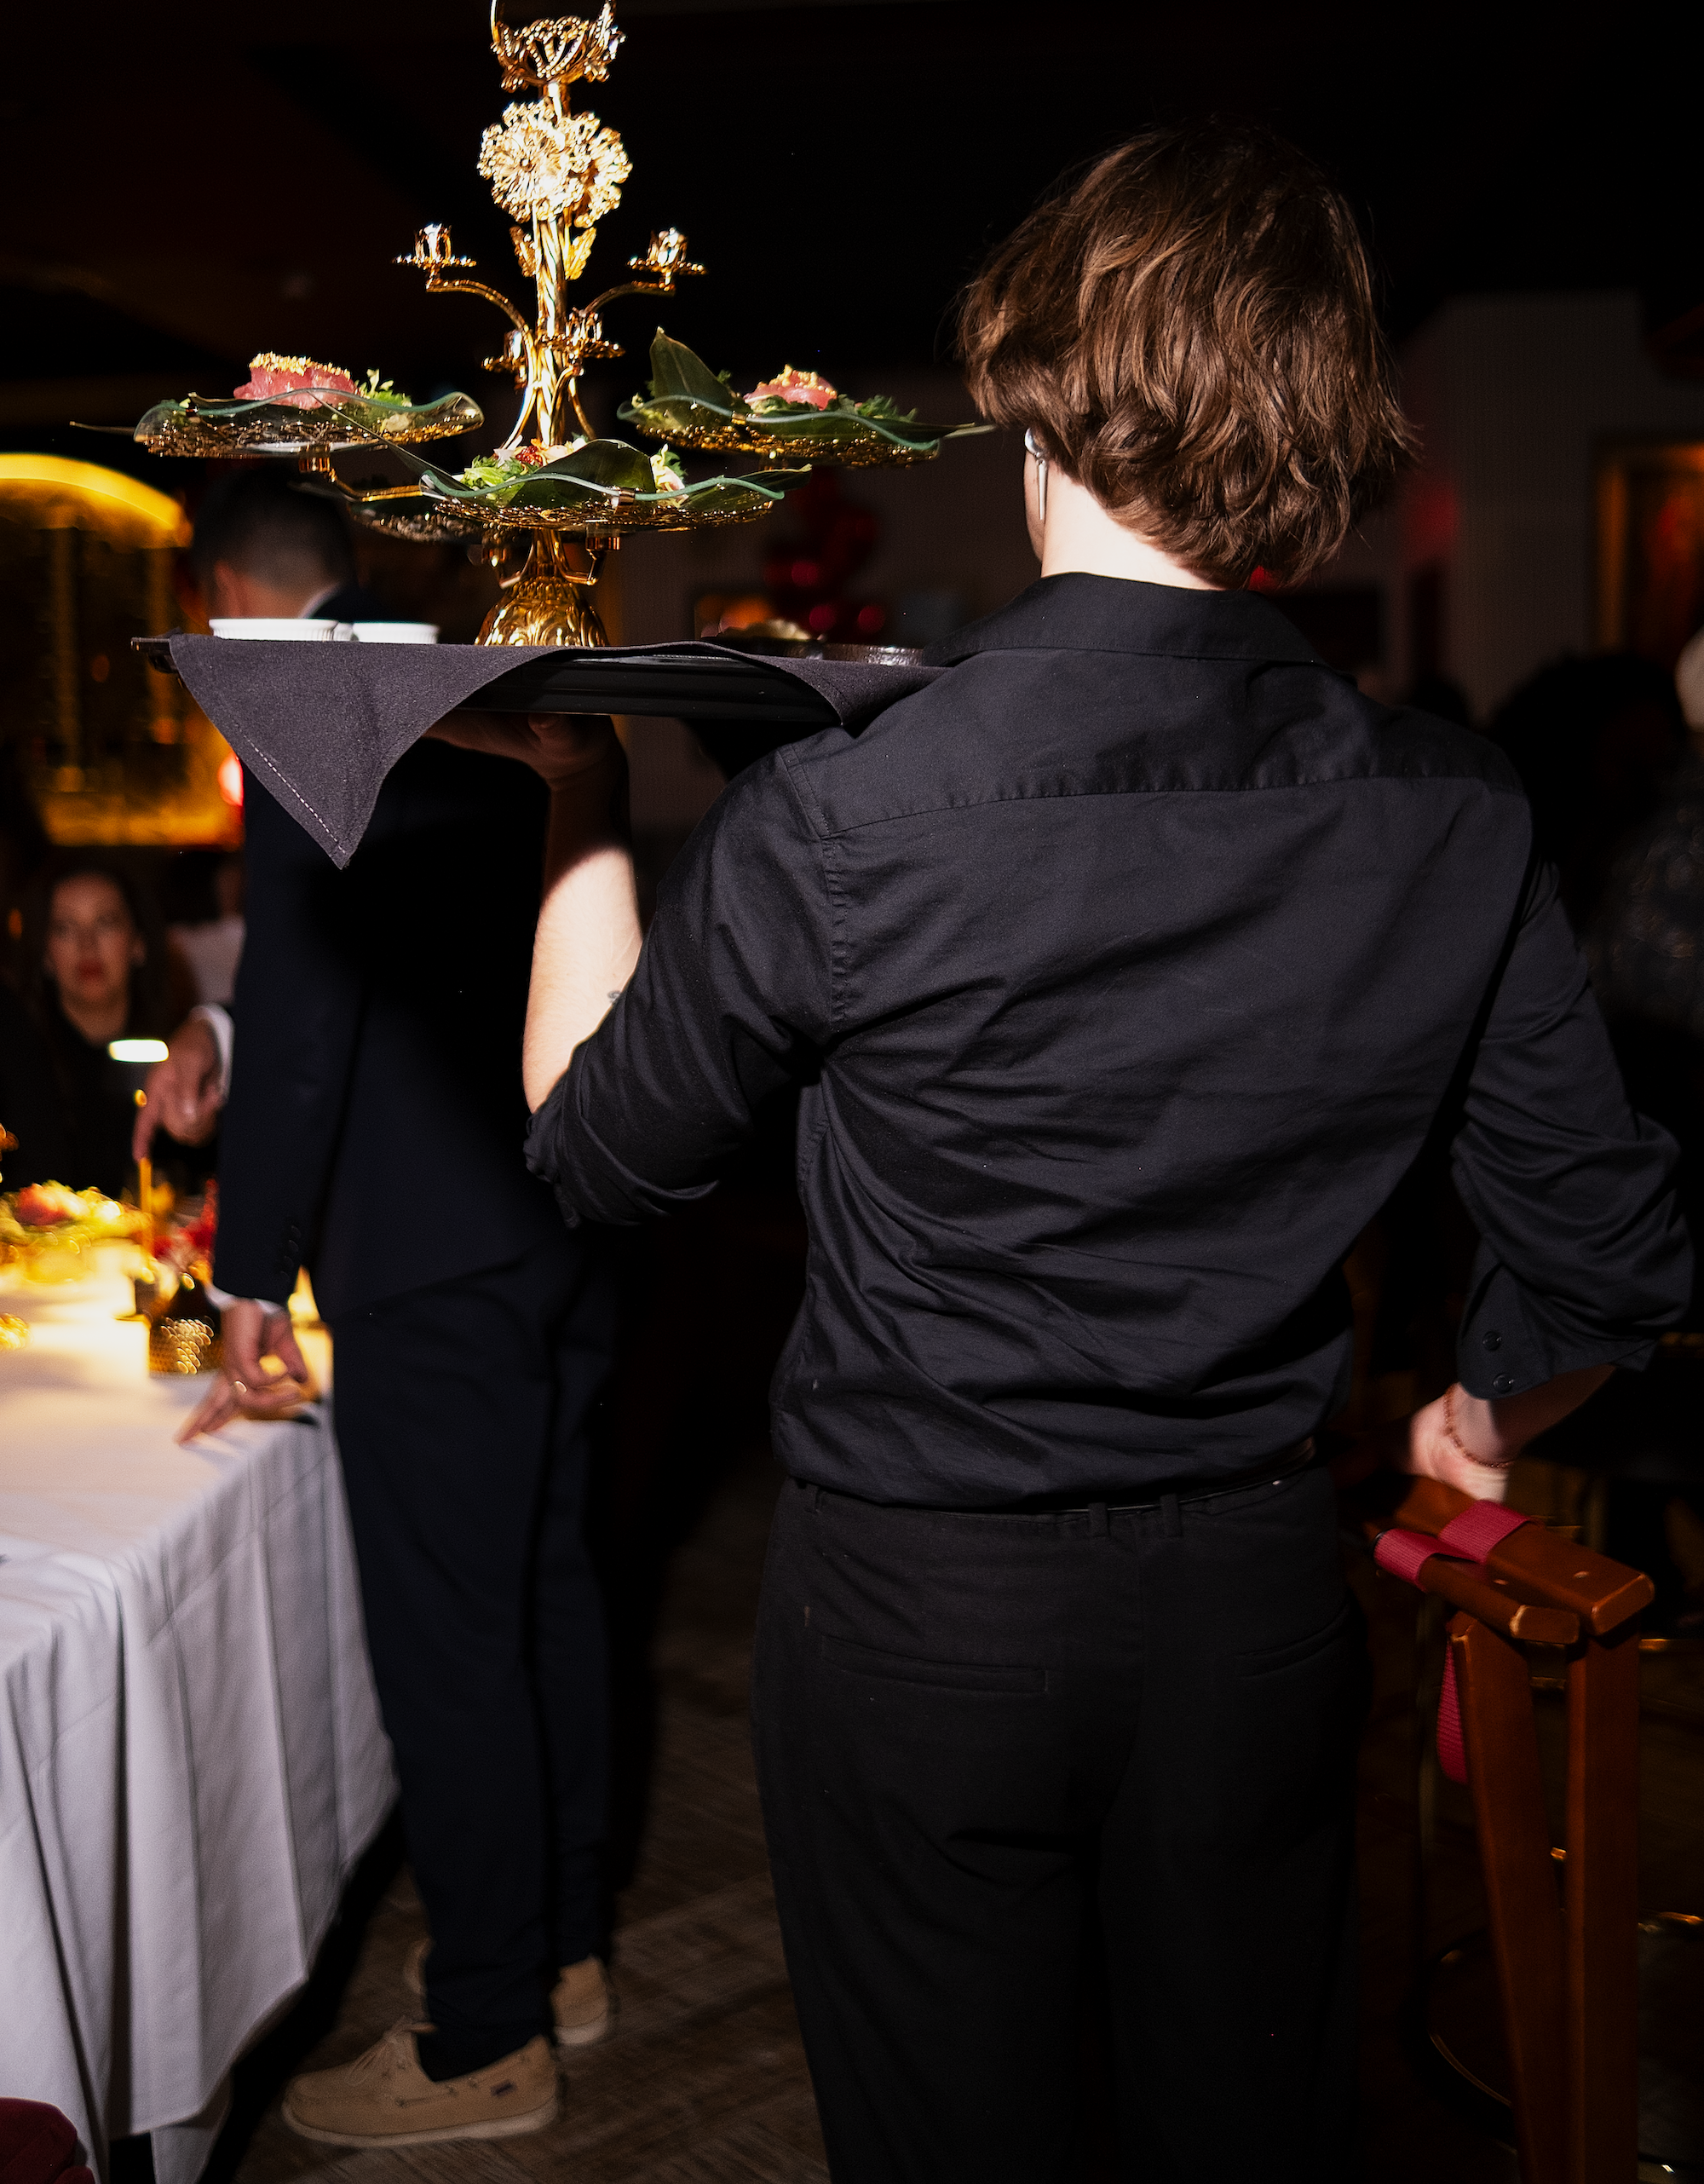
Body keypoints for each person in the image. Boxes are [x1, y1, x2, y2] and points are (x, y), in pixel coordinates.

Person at [463, 124, 1689, 2182]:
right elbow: (1607, 1248)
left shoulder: (846, 805)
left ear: (1033, 397)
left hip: (917, 1608)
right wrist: (1484, 1413)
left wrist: (576, 794)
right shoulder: (1451, 806)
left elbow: (594, 1154)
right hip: (1248, 1606)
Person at [140, 471, 615, 2148]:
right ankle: (558, 1955)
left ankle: (486, 2032)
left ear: (220, 594)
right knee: (550, 1603)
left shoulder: (302, 700)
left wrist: (250, 1272)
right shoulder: (502, 684)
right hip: (562, 1223)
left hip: (424, 1260)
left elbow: (306, 995)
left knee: (452, 1652)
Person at [0, 857, 178, 1198]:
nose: (86, 945)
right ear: (46, 954)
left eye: (105, 923)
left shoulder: (176, 1054)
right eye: (64, 928)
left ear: (139, 941)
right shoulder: (17, 1057)